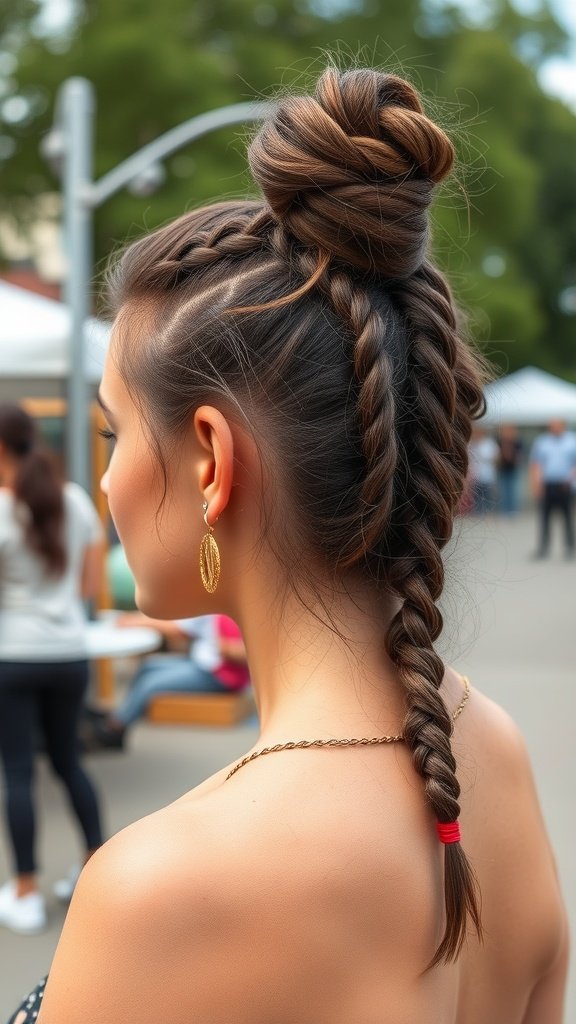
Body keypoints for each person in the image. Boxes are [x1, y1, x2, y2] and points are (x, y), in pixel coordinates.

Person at [15, 68, 567, 1023]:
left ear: (211, 462)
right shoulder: (494, 754)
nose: (104, 482)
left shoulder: (158, 891)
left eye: (114, 437)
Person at [0, 404, 105, 936]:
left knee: (18, 772)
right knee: (69, 761)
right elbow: (88, 586)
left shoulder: (0, 509)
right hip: (69, 653)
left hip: (13, 657)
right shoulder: (75, 501)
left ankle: (23, 892)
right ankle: (94, 869)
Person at [93, 613, 249, 748]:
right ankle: (125, 715)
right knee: (149, 666)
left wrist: (227, 649)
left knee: (150, 683)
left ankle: (116, 727)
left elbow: (179, 630)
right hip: (202, 662)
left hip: (217, 673)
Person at [530, 418, 576, 558]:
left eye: (557, 425)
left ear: (563, 425)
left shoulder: (572, 441)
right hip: (548, 484)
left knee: (567, 517)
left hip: (564, 484)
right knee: (545, 517)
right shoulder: (542, 442)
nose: (555, 428)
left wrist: (571, 478)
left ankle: (570, 547)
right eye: (552, 426)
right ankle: (543, 547)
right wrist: (536, 484)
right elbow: (536, 464)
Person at [468, 426, 499, 514]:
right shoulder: (472, 444)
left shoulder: (489, 443)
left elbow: (496, 457)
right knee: (477, 496)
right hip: (476, 475)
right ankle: (478, 512)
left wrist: (486, 458)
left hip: (487, 474)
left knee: (488, 495)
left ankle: (488, 512)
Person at [496, 423, 523, 515]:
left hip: (513, 469)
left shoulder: (517, 442)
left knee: (513, 491)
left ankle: (513, 509)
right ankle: (505, 510)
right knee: (503, 491)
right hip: (502, 470)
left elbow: (518, 457)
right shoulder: (499, 442)